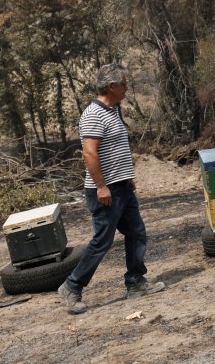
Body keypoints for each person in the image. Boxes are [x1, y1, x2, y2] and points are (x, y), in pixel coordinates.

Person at [58, 63, 165, 314]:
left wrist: (126, 177)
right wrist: (101, 186)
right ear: (111, 86)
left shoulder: (112, 111)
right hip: (106, 191)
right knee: (102, 241)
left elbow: (114, 149)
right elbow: (89, 152)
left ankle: (136, 282)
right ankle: (72, 286)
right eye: (124, 84)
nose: (127, 88)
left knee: (137, 232)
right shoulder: (94, 114)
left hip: (121, 187)